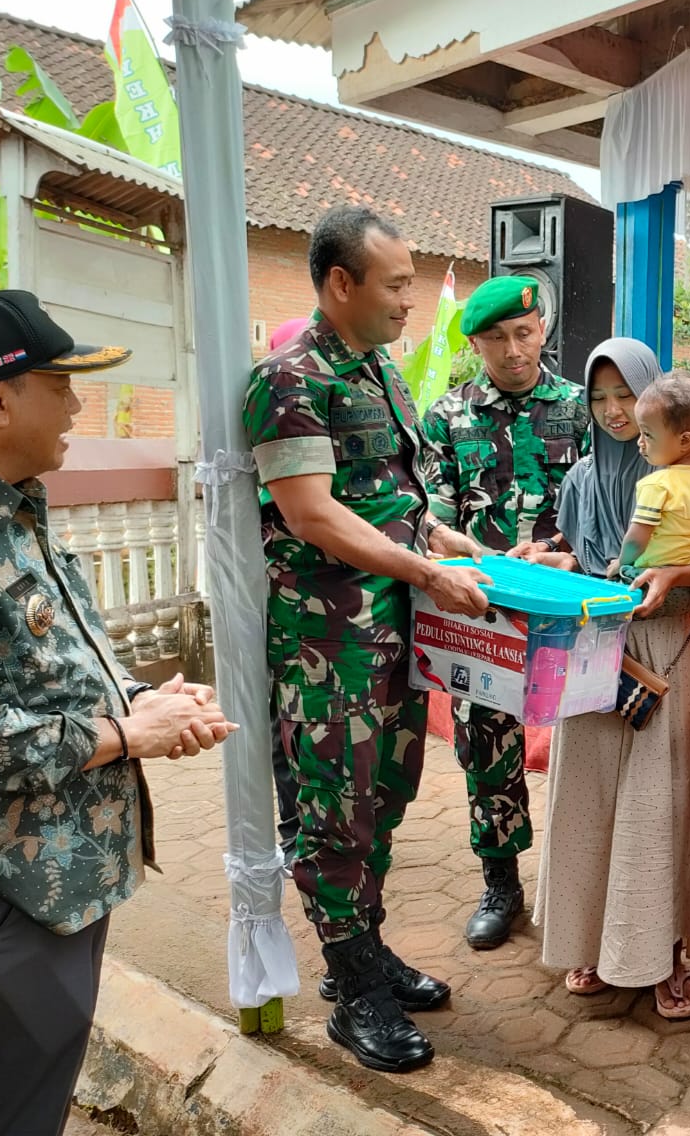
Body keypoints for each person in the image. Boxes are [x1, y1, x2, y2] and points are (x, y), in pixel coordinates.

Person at [0, 290, 231, 1136]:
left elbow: (55, 660)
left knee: (30, 1087)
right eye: (60, 383)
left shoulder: (14, 503)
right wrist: (122, 735)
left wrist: (145, 700)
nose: (77, 404)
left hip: (56, 878)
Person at [244, 206, 490, 1074]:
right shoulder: (290, 380)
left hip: (394, 633)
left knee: (383, 797)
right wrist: (425, 573)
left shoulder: (378, 369)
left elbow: (395, 500)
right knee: (332, 812)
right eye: (394, 285)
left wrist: (462, 549)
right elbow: (313, 513)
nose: (408, 303)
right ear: (340, 283)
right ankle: (352, 992)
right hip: (329, 642)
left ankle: (369, 948)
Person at [525, 339, 690, 1021]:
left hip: (667, 643)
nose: (613, 412)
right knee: (588, 796)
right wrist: (547, 563)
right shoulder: (579, 480)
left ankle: (666, 953)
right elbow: (581, 559)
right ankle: (588, 940)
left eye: (624, 396)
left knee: (659, 802)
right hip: (589, 648)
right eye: (599, 398)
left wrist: (682, 577)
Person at [422, 273, 590, 951]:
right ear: (477, 343)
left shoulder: (582, 409)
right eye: (496, 338)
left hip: (566, 612)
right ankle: (501, 884)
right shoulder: (447, 416)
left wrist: (560, 549)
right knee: (486, 748)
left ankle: (582, 887)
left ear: (542, 329)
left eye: (523, 333)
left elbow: (609, 513)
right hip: (481, 613)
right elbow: (429, 517)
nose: (513, 350)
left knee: (584, 745)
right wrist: (449, 551)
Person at [605, 368, 690, 583]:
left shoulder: (657, 485)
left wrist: (620, 563)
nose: (640, 442)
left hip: (651, 577)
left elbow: (637, 540)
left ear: (684, 441)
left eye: (647, 434)